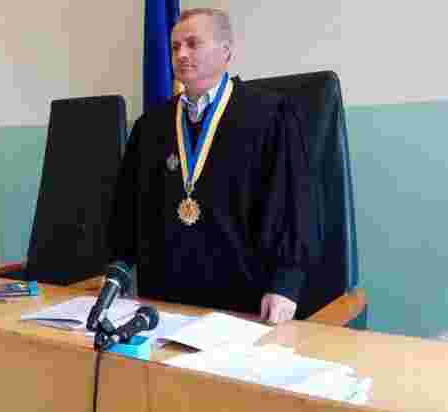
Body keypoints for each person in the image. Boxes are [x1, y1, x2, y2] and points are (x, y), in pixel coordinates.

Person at [108, 8, 311, 324]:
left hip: (243, 305)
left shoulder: (270, 116)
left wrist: (286, 284)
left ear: (225, 51)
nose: (181, 54)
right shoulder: (150, 126)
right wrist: (118, 269)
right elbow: (127, 210)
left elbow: (292, 205)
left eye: (193, 44)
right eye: (175, 47)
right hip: (162, 304)